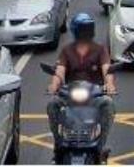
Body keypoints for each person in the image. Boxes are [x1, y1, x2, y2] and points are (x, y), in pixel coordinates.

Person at [47, 14, 117, 160]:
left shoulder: (100, 50)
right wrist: (54, 84)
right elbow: (59, 70)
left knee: (109, 104)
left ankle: (100, 146)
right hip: (70, 95)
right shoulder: (66, 50)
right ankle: (58, 144)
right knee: (52, 104)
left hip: (94, 95)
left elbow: (106, 69)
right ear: (76, 31)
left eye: (88, 29)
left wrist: (109, 84)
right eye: (83, 29)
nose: (86, 32)